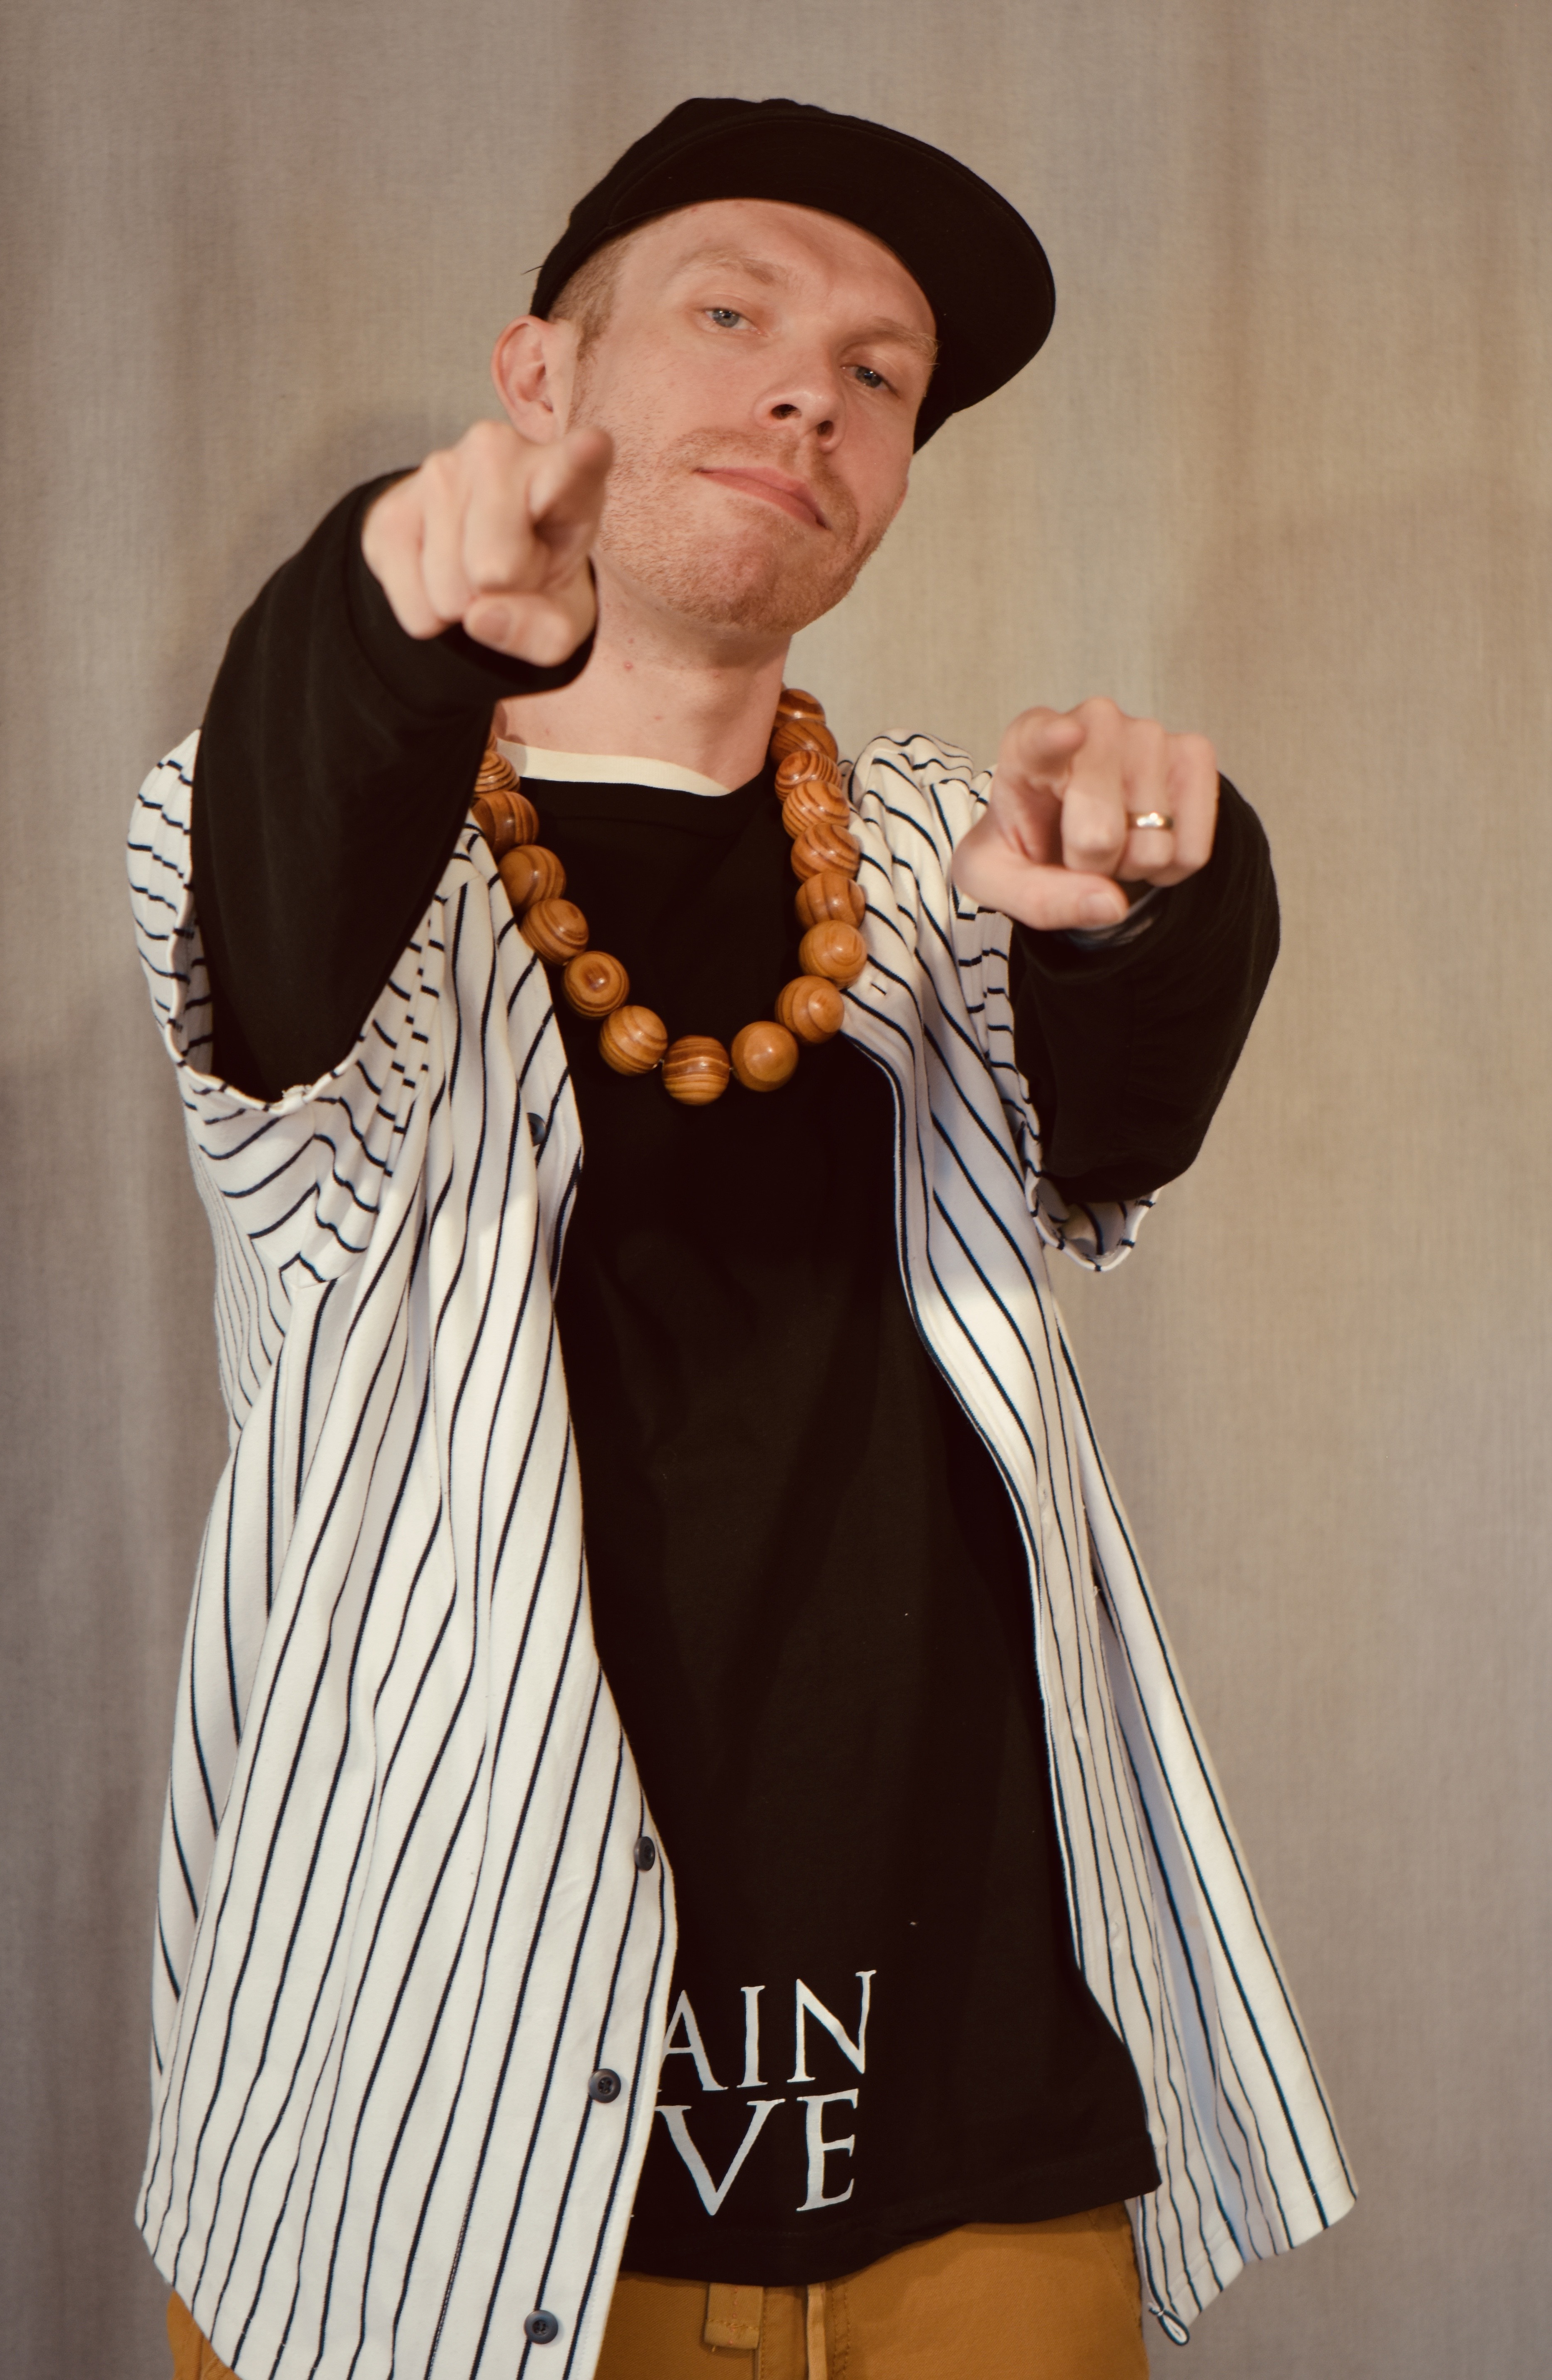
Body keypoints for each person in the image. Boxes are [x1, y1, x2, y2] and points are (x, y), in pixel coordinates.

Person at [131, 97, 1352, 2380]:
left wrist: (1169, 889)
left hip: (971, 2171)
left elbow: (1124, 1102)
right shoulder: (295, 806)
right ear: (540, 380)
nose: (816, 387)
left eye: (881, 376)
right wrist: (401, 598)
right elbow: (283, 944)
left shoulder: (941, 851)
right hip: (428, 2164)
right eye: (732, 315)